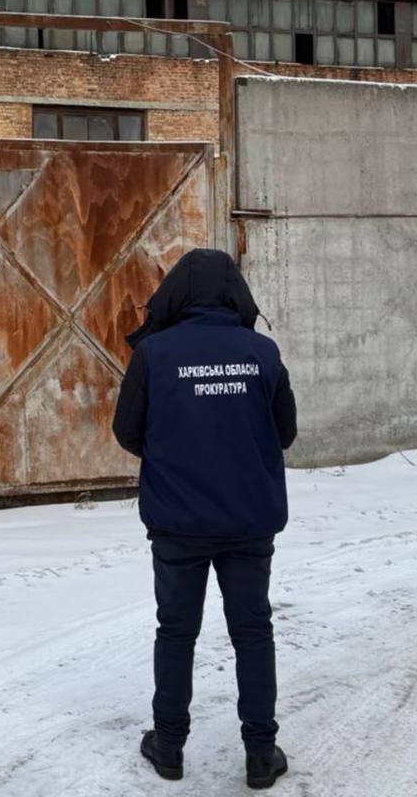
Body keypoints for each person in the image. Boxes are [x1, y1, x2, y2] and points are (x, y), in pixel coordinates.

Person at [112, 248, 297, 790]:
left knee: (176, 632)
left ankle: (168, 745)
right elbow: (284, 432)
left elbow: (127, 432)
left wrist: (177, 447)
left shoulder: (155, 355)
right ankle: (261, 752)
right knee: (253, 632)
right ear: (233, 293)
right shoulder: (262, 353)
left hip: (178, 522)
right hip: (248, 519)